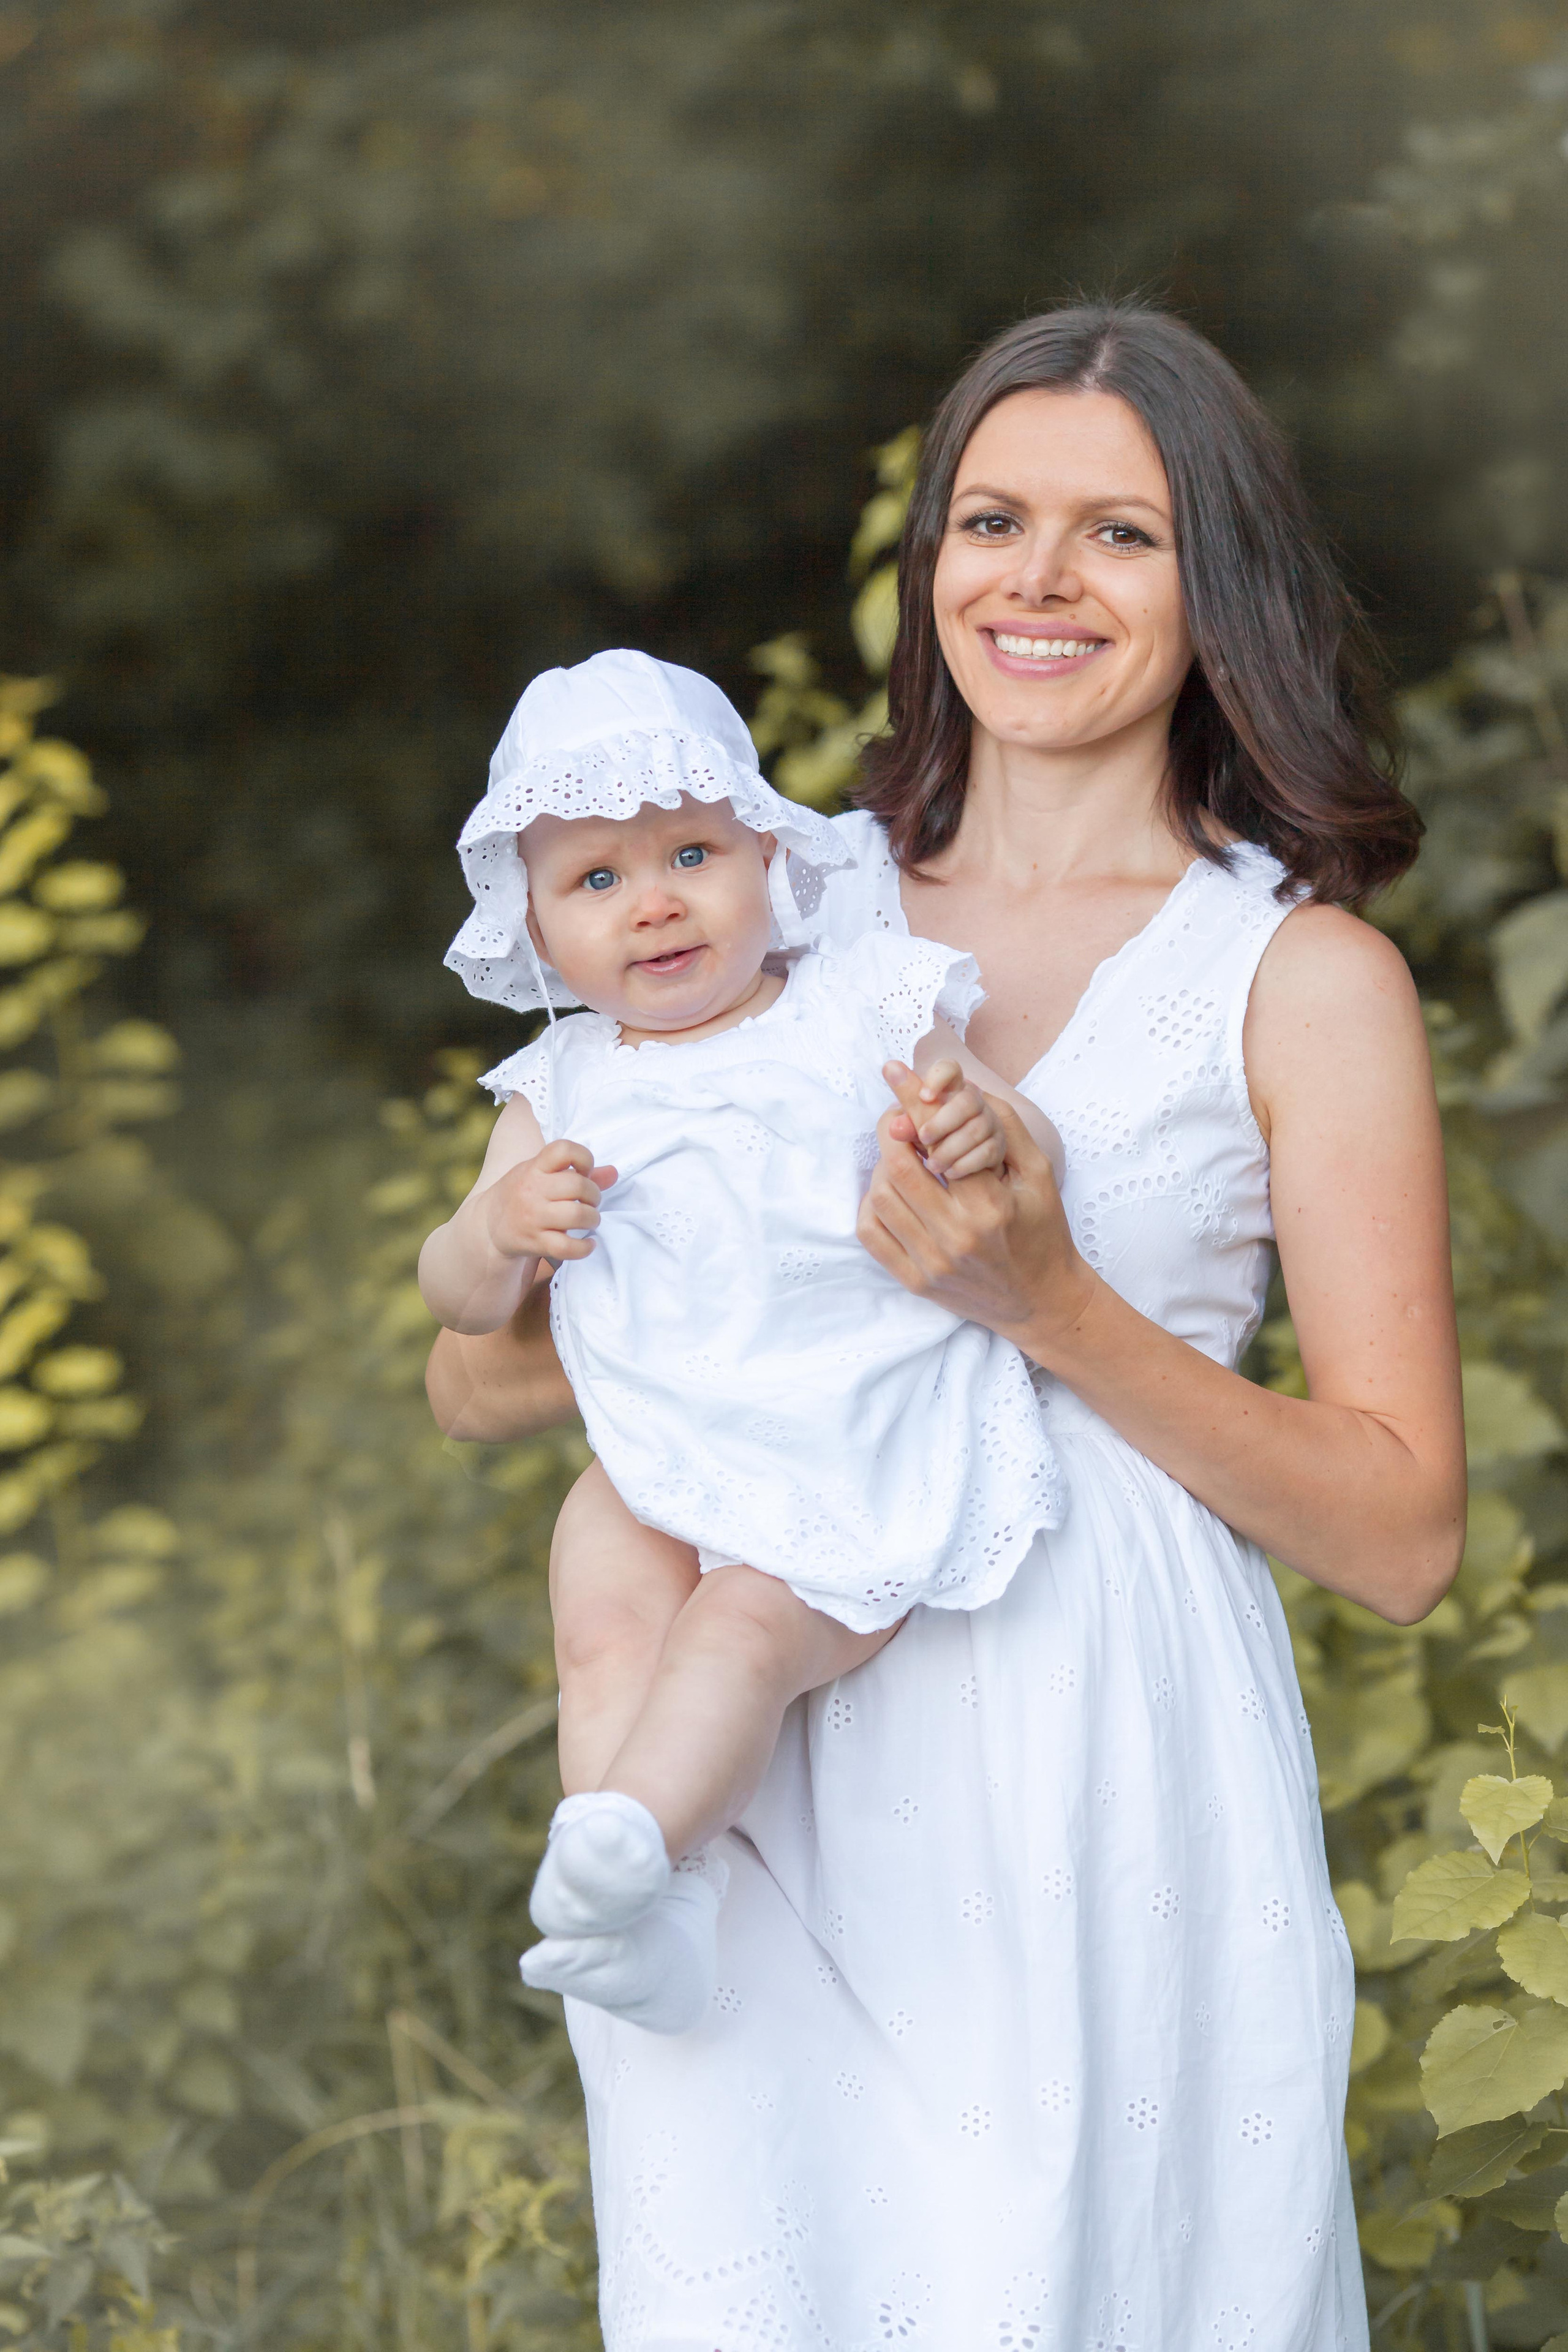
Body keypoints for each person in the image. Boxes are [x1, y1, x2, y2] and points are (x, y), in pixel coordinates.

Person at [427, 301, 1465, 2351]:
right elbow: (477, 1375)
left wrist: (1047, 1303)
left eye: (1120, 535)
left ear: (1218, 582)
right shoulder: (757, 907)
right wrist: (618, 1297)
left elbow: (1404, 1537)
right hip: (775, 1740)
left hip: (1101, 1747)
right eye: (992, 519)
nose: (1039, 582)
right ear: (931, 567)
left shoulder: (1301, 977)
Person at [420, 648, 1065, 2032]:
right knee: (602, 1626)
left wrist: (968, 1128)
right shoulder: (557, 1086)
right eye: (594, 880)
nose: (651, 902)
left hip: (843, 1439)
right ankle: (650, 1894)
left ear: (767, 856)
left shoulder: (856, 1007)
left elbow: (1024, 1143)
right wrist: (497, 1234)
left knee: (732, 1632)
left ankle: (650, 1852)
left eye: (691, 853)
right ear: (536, 925)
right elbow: (458, 1305)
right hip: (654, 1449)